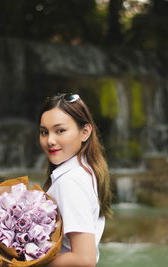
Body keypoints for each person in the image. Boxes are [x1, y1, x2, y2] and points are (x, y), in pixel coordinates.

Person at [38, 93, 113, 267]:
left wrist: (28, 265)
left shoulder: (70, 182)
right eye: (44, 132)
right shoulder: (85, 172)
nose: (50, 140)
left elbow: (84, 259)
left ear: (85, 132)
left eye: (60, 131)